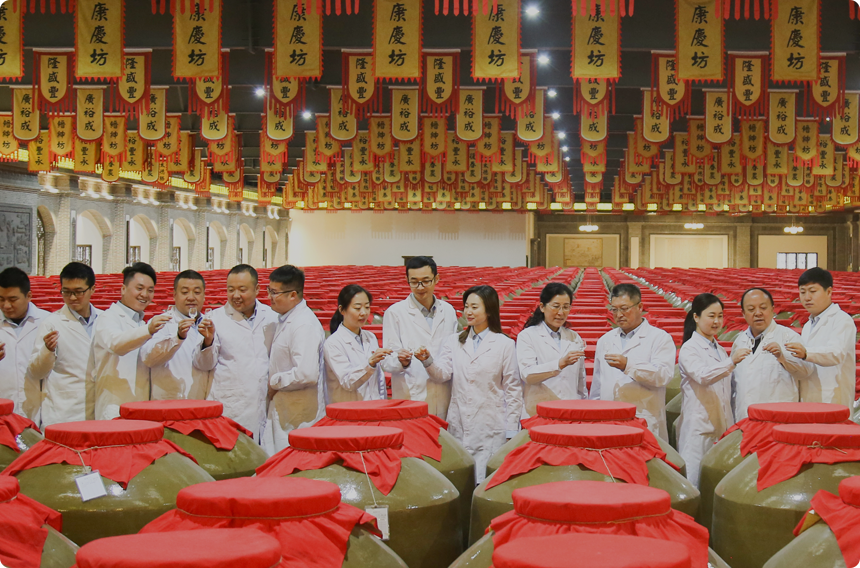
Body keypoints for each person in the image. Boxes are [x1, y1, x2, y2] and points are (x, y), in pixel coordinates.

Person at [418, 285, 522, 483]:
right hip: (460, 421)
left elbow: (513, 389)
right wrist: (427, 361)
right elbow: (442, 374)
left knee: (486, 481)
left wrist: (511, 430)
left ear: (489, 310)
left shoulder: (505, 344)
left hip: (491, 423)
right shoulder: (454, 341)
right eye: (466, 306)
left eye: (474, 307)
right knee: (462, 480)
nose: (468, 312)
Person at [194, 264, 277, 440]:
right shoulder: (214, 318)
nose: (236, 295)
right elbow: (203, 364)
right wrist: (208, 341)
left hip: (264, 403)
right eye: (230, 290)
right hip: (231, 405)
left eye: (242, 290)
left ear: (257, 289)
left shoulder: (272, 317)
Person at [87, 262, 172, 420]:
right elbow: (116, 344)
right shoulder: (108, 318)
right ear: (123, 289)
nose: (144, 294)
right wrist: (148, 330)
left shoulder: (141, 322)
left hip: (140, 407)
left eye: (150, 290)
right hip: (114, 407)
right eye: (139, 288)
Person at [591, 283, 675, 440]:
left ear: (640, 307)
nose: (619, 314)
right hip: (608, 419)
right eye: (614, 310)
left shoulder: (659, 338)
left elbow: (663, 376)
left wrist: (628, 366)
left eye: (624, 309)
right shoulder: (605, 340)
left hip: (644, 418)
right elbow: (597, 384)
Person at [381, 256, 459, 419]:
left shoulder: (448, 311)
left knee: (443, 433)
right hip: (411, 394)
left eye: (426, 281)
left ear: (436, 279)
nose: (420, 287)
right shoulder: (395, 313)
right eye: (414, 282)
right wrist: (401, 361)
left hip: (443, 393)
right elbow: (387, 360)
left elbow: (454, 352)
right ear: (407, 280)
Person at [677, 293, 742, 487]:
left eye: (720, 316)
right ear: (696, 317)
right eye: (711, 316)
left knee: (716, 482)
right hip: (699, 427)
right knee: (694, 481)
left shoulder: (719, 350)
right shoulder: (689, 349)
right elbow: (703, 376)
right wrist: (732, 362)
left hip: (721, 426)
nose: (716, 321)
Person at [261, 265, 326, 454]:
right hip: (286, 409)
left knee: (293, 462)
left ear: (293, 295)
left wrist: (274, 382)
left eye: (275, 292)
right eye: (269, 290)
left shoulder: (303, 325)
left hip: (298, 414)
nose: (270, 297)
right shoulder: (286, 319)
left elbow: (306, 374)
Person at [28, 262, 103, 426]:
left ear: (92, 289)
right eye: (66, 292)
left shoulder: (106, 320)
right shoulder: (51, 324)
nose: (72, 298)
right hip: (65, 411)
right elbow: (36, 372)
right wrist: (47, 350)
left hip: (100, 407)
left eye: (79, 292)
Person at [731, 287, 814, 420]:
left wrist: (783, 357)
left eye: (763, 308)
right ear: (743, 313)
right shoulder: (740, 341)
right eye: (751, 309)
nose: (758, 313)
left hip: (777, 418)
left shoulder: (788, 337)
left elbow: (806, 371)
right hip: (744, 417)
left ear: (772, 309)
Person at [786, 268, 857, 408]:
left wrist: (806, 353)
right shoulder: (808, 325)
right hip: (809, 395)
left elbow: (836, 353)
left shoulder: (842, 320)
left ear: (829, 292)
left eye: (812, 291)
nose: (807, 297)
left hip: (833, 395)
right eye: (802, 292)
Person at [140, 270, 214, 401]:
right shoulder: (161, 322)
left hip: (203, 403)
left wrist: (208, 342)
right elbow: (148, 358)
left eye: (197, 292)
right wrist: (178, 337)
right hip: (170, 402)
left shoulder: (211, 323)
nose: (191, 297)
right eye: (185, 292)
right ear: (174, 295)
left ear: (204, 295)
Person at [516, 282, 587, 416]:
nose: (561, 312)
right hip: (538, 411)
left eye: (566, 307)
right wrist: (559, 364)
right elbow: (527, 374)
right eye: (556, 306)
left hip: (570, 410)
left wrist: (583, 405)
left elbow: (580, 380)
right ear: (542, 307)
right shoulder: (527, 336)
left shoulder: (574, 337)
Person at [324, 284, 390, 403]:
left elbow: (379, 379)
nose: (364, 313)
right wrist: (370, 363)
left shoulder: (370, 337)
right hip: (348, 407)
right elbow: (347, 381)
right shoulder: (333, 343)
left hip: (375, 406)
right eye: (357, 308)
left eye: (367, 307)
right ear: (342, 310)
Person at [0, 267, 49, 422]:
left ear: (29, 296)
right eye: (1, 299)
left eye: (12, 299)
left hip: (39, 412)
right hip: (3, 411)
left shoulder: (48, 322)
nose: (6, 305)